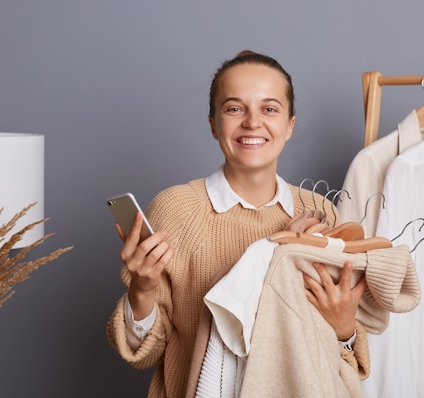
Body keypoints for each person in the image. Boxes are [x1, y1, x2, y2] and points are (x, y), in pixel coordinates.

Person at [107, 50, 368, 398]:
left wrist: (344, 327)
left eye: (269, 109)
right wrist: (142, 288)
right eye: (234, 108)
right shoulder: (175, 210)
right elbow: (146, 354)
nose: (252, 122)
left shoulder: (320, 213)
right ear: (213, 123)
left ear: (290, 124)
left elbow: (339, 362)